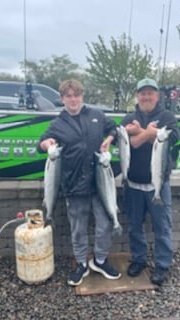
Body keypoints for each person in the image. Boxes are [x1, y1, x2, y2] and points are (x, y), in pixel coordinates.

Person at [38, 79, 121, 286]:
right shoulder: (58, 124)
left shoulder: (97, 115)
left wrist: (110, 139)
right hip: (73, 185)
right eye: (68, 96)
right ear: (62, 99)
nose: (73, 99)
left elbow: (115, 130)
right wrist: (45, 144)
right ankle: (82, 263)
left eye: (76, 95)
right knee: (78, 228)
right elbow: (40, 144)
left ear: (82, 96)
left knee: (105, 224)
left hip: (99, 183)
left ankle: (100, 260)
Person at [121, 77, 180, 286]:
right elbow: (131, 143)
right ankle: (138, 260)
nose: (146, 96)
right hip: (133, 185)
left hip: (158, 185)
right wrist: (150, 134)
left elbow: (172, 138)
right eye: (143, 93)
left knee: (162, 227)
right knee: (134, 226)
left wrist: (141, 132)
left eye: (150, 93)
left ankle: (162, 265)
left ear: (157, 95)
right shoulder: (128, 117)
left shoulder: (167, 116)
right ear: (137, 96)